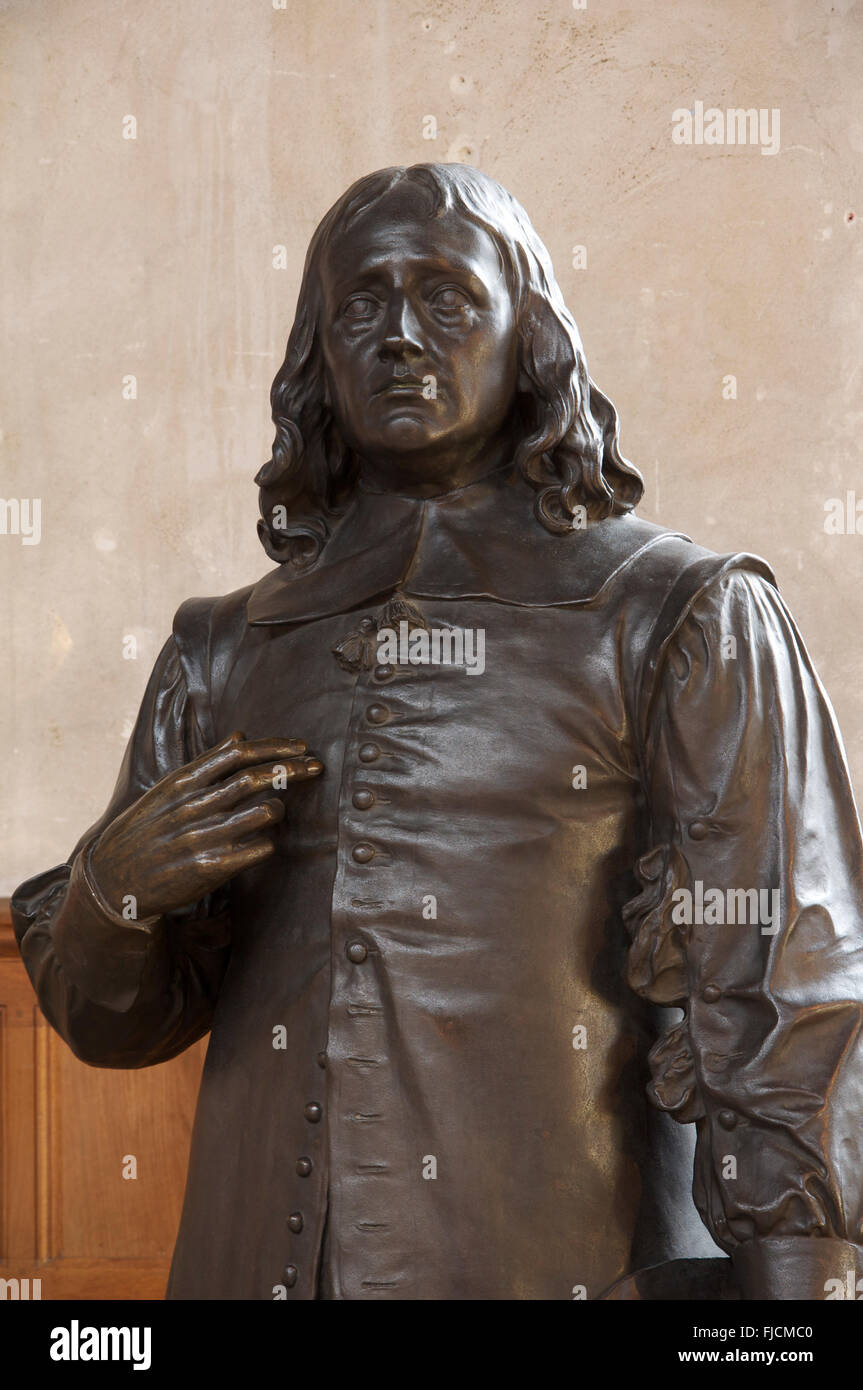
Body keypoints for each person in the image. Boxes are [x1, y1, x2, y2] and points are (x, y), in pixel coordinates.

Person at [12, 163, 863, 1300]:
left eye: (447, 297)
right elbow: (114, 1027)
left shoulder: (677, 617)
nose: (400, 335)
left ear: (530, 335)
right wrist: (111, 898)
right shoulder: (221, 652)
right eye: (359, 303)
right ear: (318, 354)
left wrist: (796, 1300)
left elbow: (788, 978)